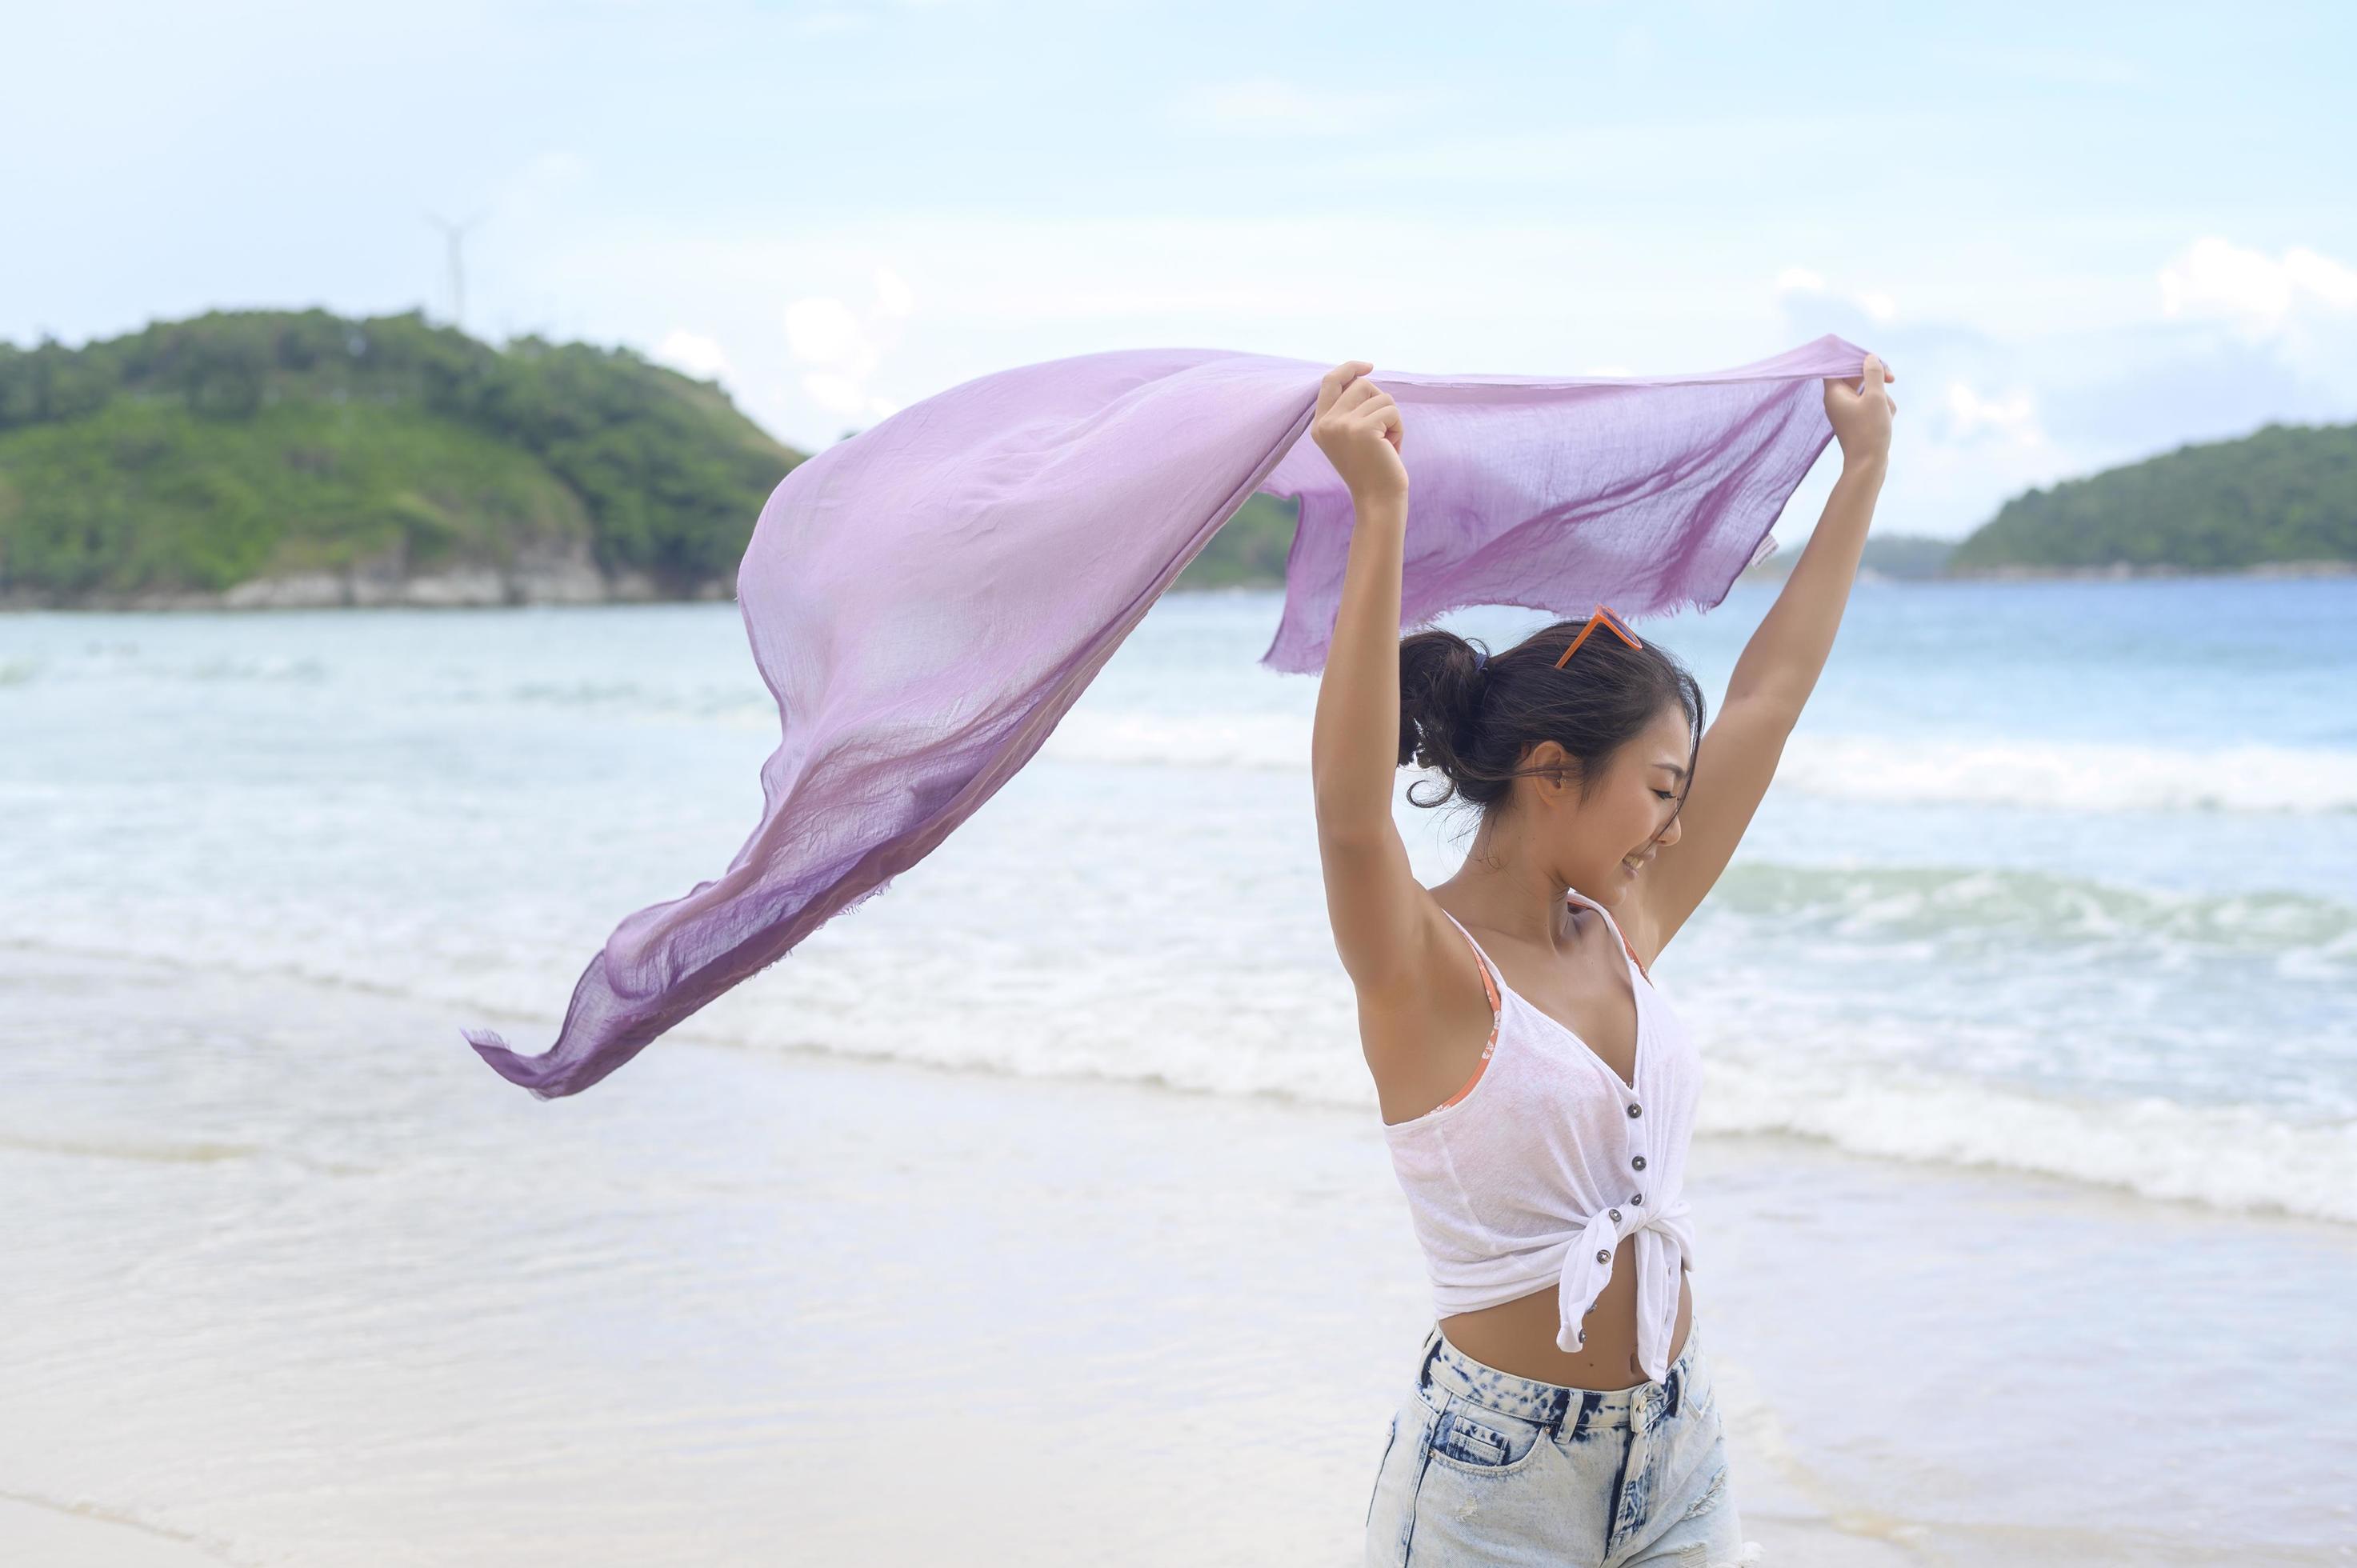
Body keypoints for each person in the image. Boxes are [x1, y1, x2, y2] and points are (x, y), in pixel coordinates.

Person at [1311, 354, 1895, 1566]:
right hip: (1493, 1481)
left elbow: (1769, 697)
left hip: (1678, 1447)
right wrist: (1380, 515)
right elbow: (1349, 813)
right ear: (1549, 768)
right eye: (1658, 790)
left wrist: (1862, 469)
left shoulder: (1626, 922)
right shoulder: (1422, 964)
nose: (1674, 829)